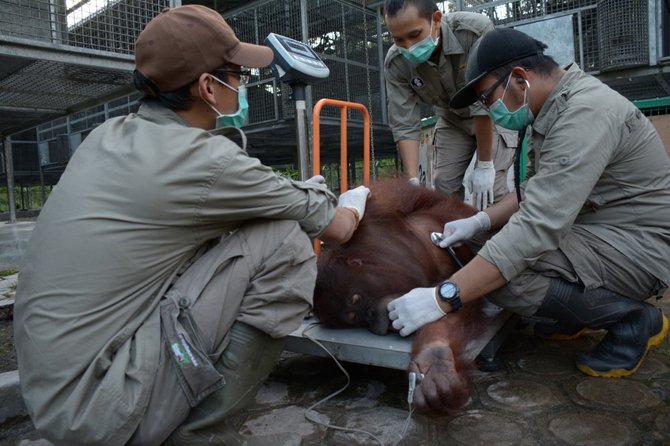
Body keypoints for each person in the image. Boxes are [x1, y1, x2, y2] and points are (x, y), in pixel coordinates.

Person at [13, 5, 370, 446]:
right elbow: (334, 228)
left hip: (53, 400)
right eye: (238, 75)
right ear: (208, 86)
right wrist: (353, 201)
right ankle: (200, 435)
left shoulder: (104, 137)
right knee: (284, 241)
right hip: (103, 410)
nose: (243, 85)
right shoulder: (205, 161)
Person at [387, 27, 670, 410]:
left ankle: (635, 318)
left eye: (488, 96)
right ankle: (575, 313)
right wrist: (479, 221)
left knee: (507, 277)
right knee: (486, 249)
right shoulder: (553, 107)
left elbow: (538, 225)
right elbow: (535, 191)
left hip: (643, 247)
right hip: (602, 231)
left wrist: (445, 296)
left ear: (519, 78)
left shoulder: (584, 113)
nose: (488, 110)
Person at [383, 0, 516, 210]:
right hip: (452, 118)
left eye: (415, 35)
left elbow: (485, 102)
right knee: (444, 189)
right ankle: (458, 240)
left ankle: (501, 240)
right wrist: (412, 181)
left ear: (436, 19)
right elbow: (404, 123)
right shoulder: (396, 63)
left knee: (492, 192)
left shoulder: (474, 31)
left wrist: (484, 164)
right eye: (399, 39)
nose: (408, 47)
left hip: (493, 114)